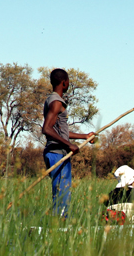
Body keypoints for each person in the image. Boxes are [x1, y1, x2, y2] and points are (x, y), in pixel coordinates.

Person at [41, 68, 96, 218]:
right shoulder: (56, 102)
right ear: (65, 83)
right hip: (57, 154)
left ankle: (59, 223)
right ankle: (58, 227)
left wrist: (84, 136)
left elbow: (61, 132)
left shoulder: (52, 100)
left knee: (61, 193)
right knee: (62, 194)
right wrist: (68, 145)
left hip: (56, 152)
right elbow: (46, 129)